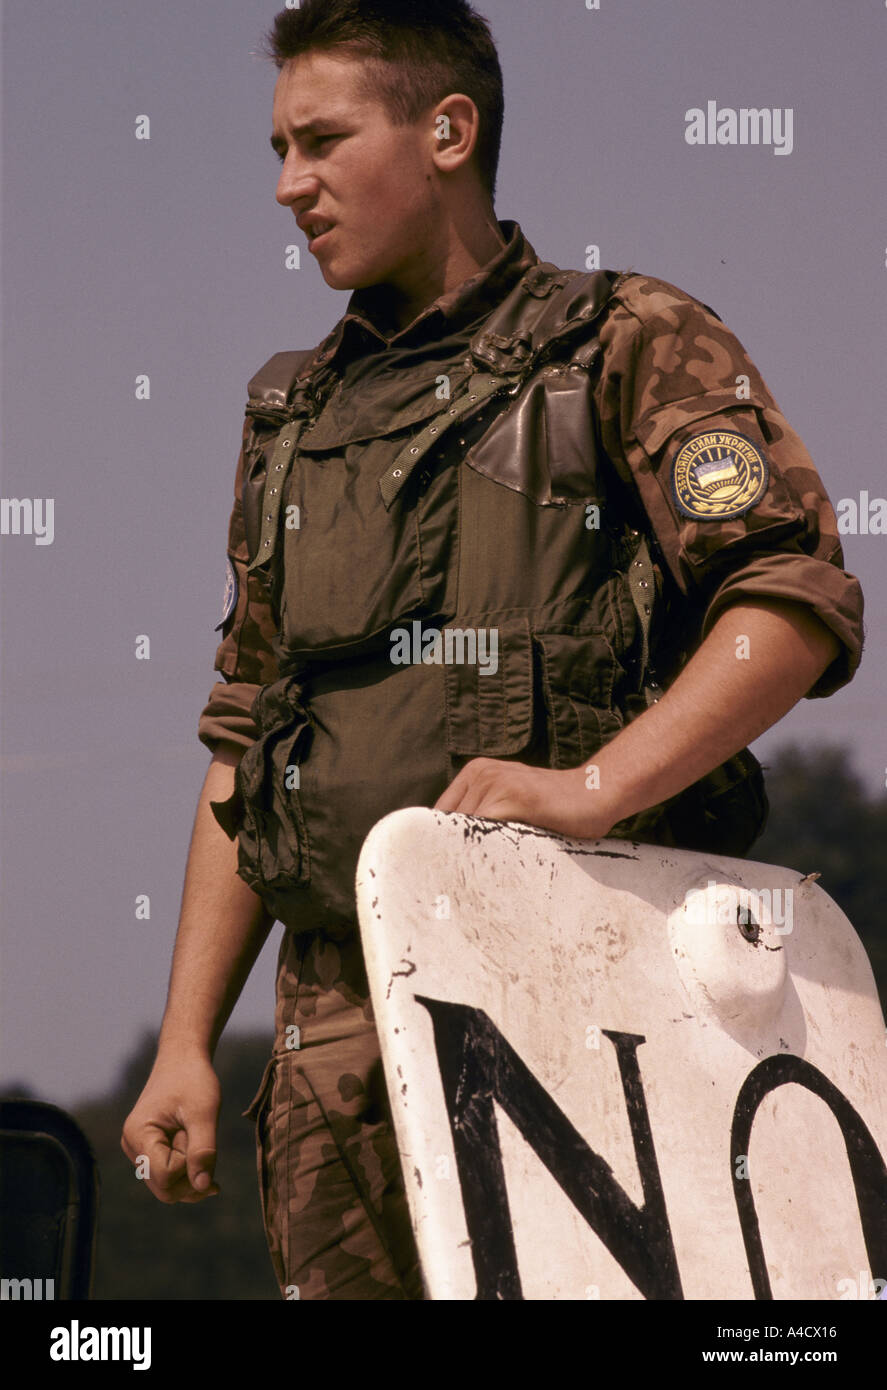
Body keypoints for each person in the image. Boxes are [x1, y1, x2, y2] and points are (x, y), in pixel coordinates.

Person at [121, 0, 864, 1302]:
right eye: (279, 148)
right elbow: (248, 731)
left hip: (583, 998)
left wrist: (592, 789)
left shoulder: (627, 340)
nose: (290, 185)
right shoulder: (290, 413)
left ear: (448, 130)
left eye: (322, 140)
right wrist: (187, 1038)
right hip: (332, 1049)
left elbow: (790, 604)